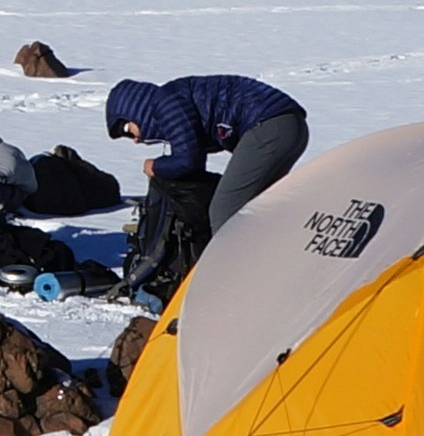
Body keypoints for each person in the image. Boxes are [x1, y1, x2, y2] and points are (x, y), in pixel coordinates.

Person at [106, 73, 310, 305]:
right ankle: (279, 281)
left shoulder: (165, 103)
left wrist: (156, 166)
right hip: (289, 125)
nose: (133, 140)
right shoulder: (171, 99)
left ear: (134, 110)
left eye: (126, 129)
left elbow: (189, 160)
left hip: (270, 125)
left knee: (224, 210)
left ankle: (230, 291)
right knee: (259, 210)